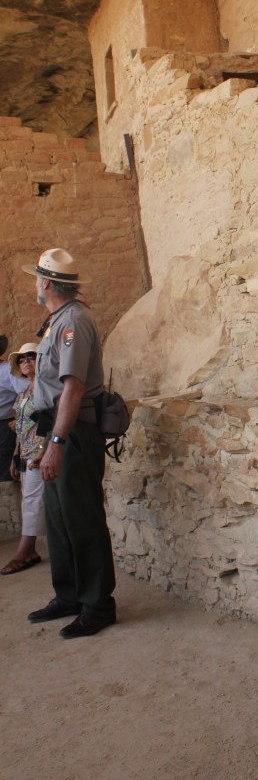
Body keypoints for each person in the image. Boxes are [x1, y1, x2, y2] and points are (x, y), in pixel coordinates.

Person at [22, 247, 117, 639]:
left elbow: (73, 389)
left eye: (37, 278)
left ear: (46, 283)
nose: (35, 284)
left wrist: (58, 442)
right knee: (60, 520)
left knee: (82, 519)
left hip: (74, 432)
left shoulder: (73, 321)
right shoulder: (58, 321)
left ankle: (98, 604)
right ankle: (70, 595)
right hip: (58, 429)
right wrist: (47, 440)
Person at [1, 343, 45, 575]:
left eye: (31, 356)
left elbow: (51, 421)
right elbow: (22, 424)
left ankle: (25, 552)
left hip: (39, 451)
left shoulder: (45, 389)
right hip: (26, 451)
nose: (26, 361)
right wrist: (16, 454)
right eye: (21, 358)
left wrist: (44, 449)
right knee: (30, 500)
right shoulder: (25, 391)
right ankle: (29, 551)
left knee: (32, 500)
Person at [0, 334, 27, 482]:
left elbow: (29, 392)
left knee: (3, 473)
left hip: (2, 428)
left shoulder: (7, 370)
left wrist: (22, 417)